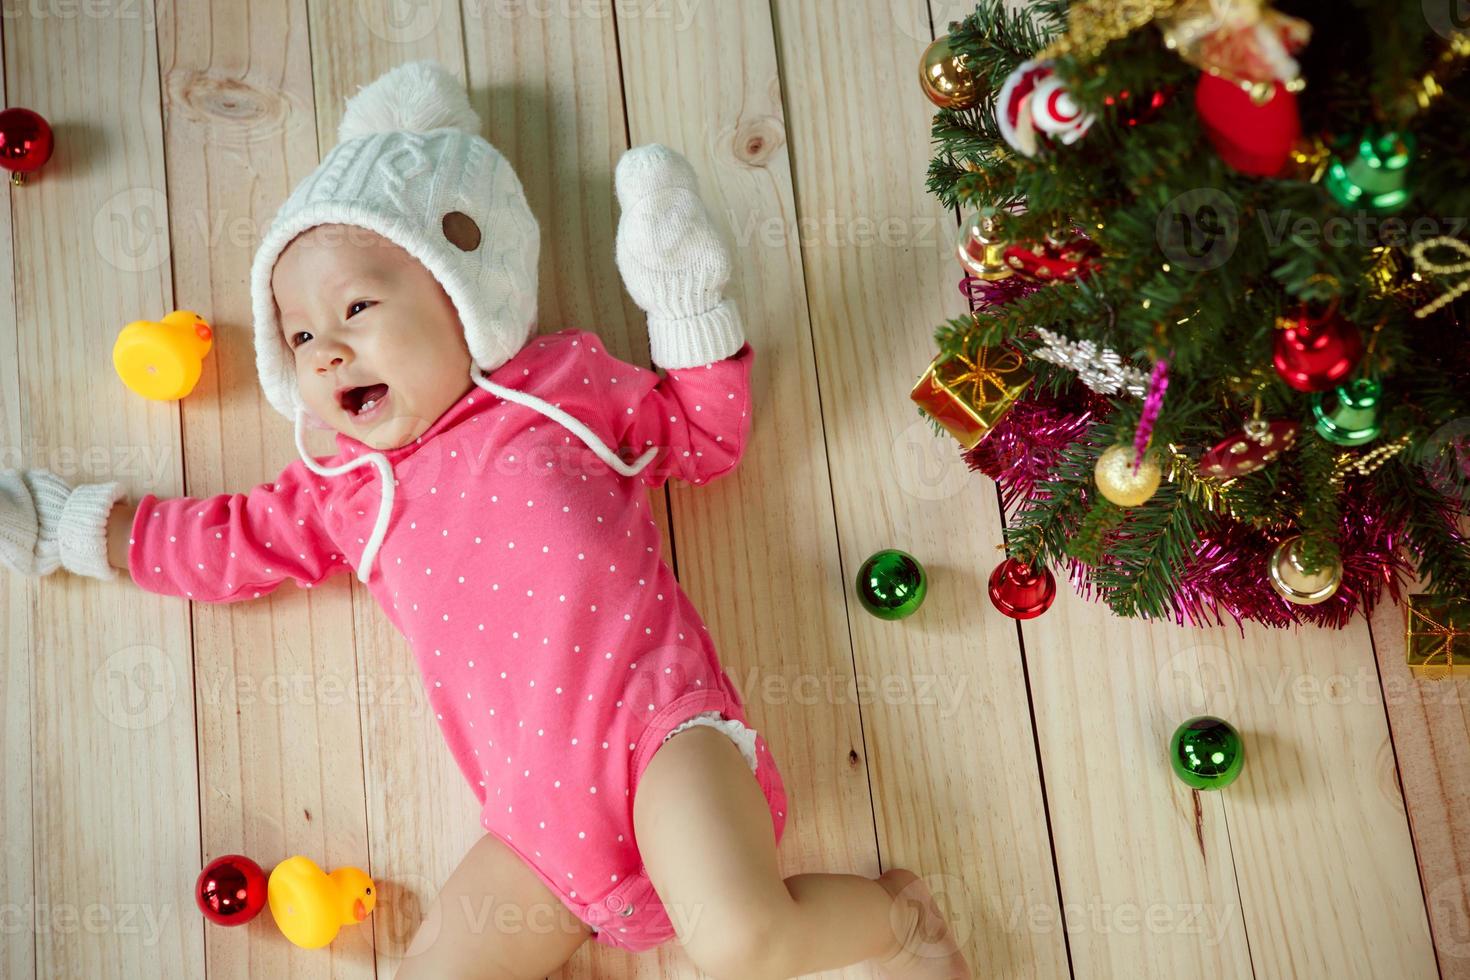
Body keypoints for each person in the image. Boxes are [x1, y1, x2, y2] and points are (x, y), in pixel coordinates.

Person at [0, 60, 970, 980]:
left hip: (659, 741)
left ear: (458, 294)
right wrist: (72, 526)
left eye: (358, 307)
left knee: (740, 941)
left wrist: (687, 302)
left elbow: (704, 438)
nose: (328, 350)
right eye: (300, 335)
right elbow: (221, 544)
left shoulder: (555, 392)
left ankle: (901, 913)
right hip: (538, 830)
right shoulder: (345, 489)